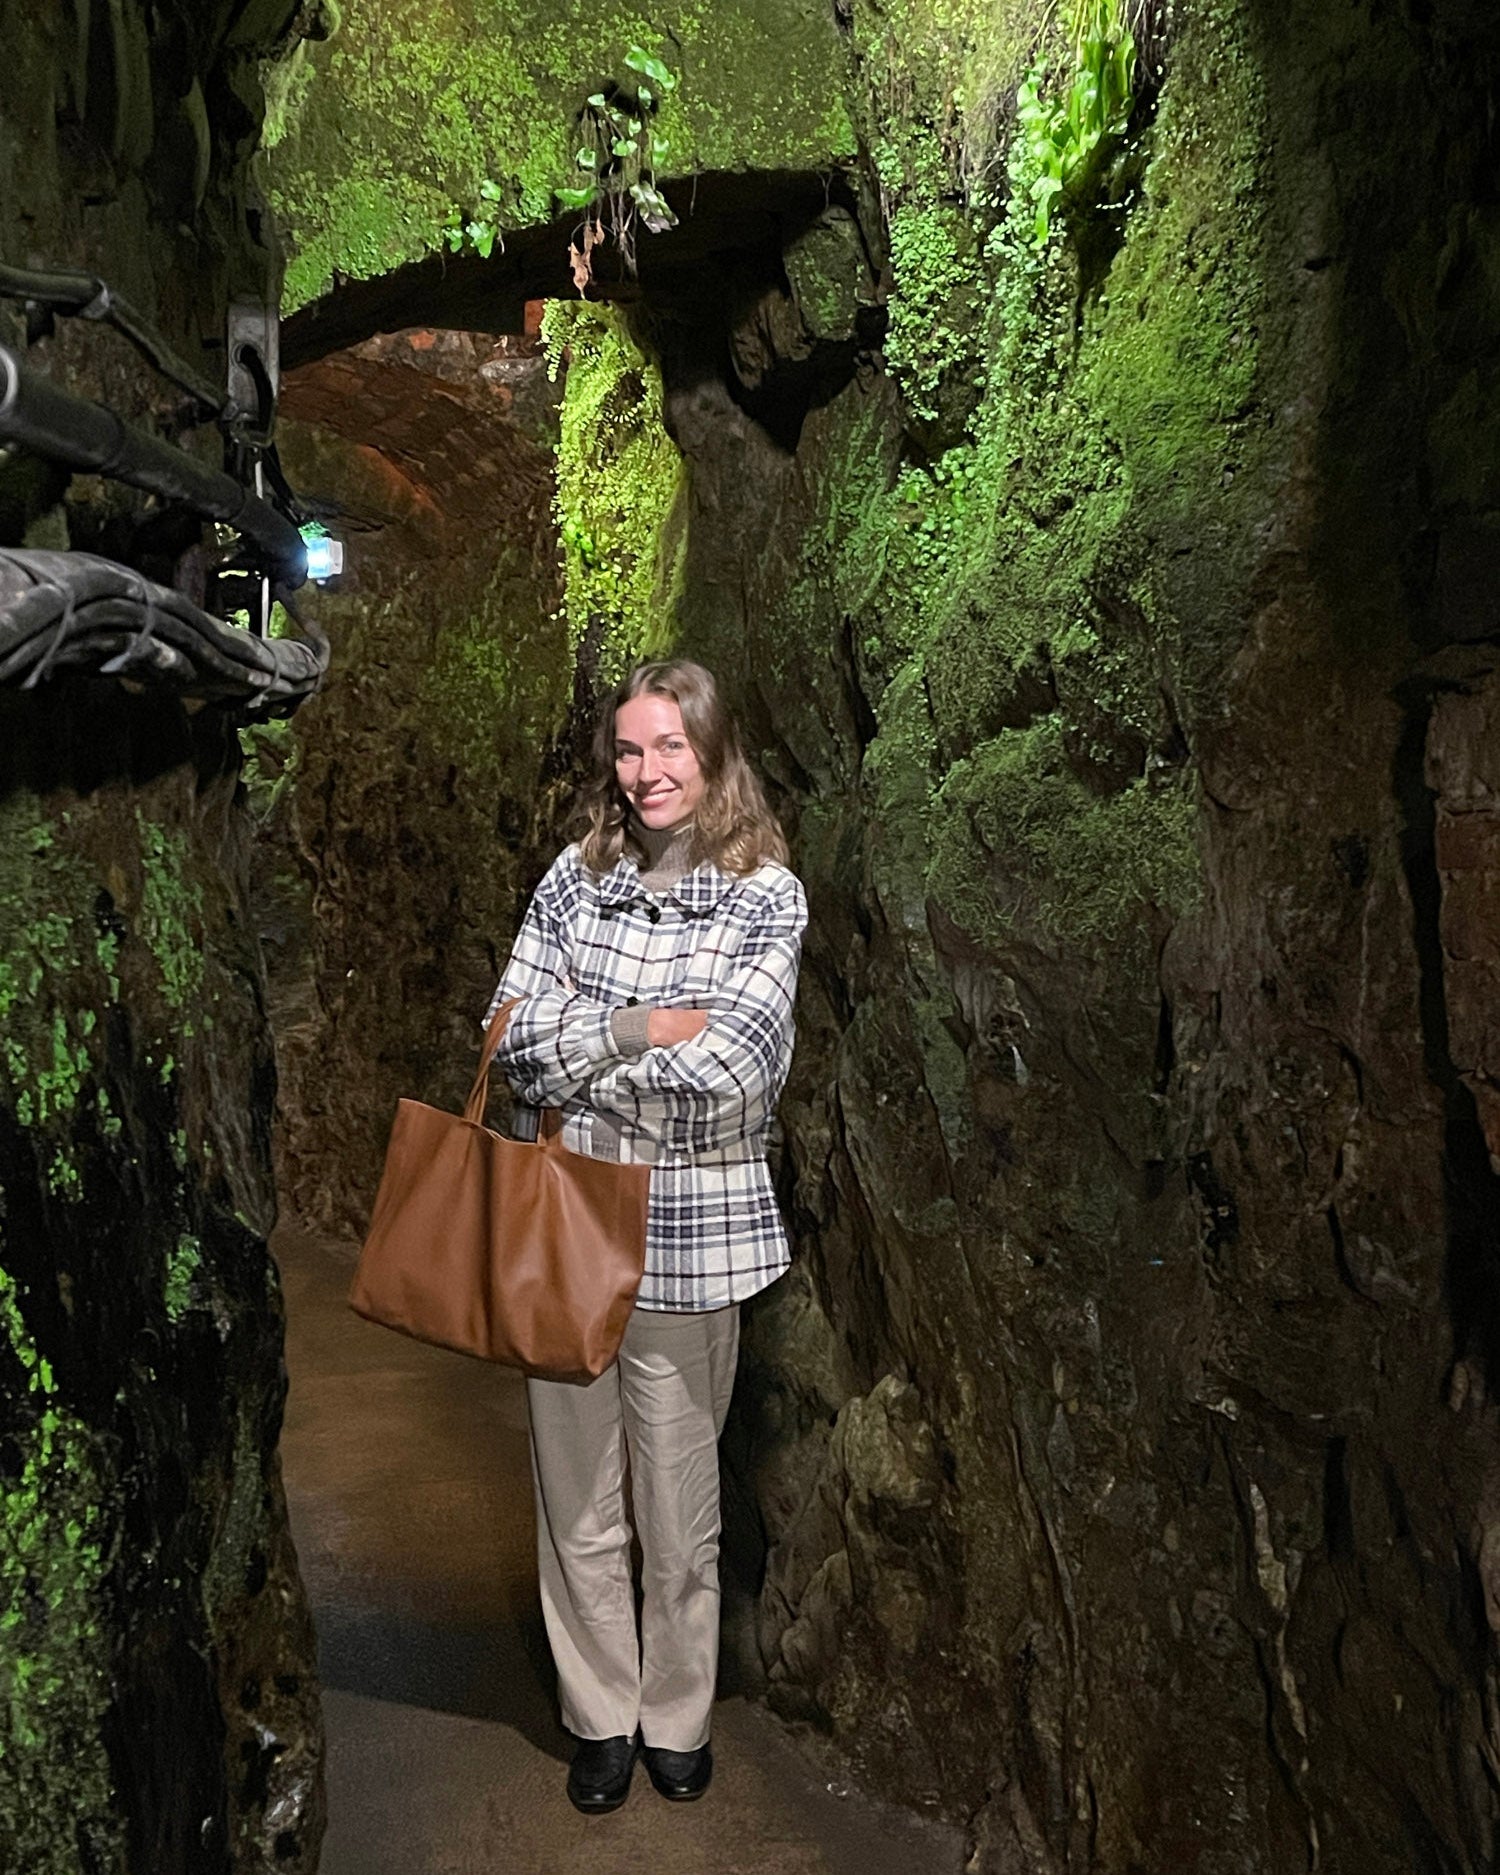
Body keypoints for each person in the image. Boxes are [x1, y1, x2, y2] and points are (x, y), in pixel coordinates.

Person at [485, 657, 807, 1815]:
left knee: (679, 1506)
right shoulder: (574, 882)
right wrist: (635, 1028)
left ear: (714, 753)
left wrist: (584, 1053)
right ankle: (601, 1715)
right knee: (575, 1499)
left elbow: (734, 1076)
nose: (646, 771)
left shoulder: (767, 894)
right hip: (566, 1222)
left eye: (670, 746)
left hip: (691, 1239)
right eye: (628, 749)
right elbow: (509, 1038)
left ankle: (676, 1713)